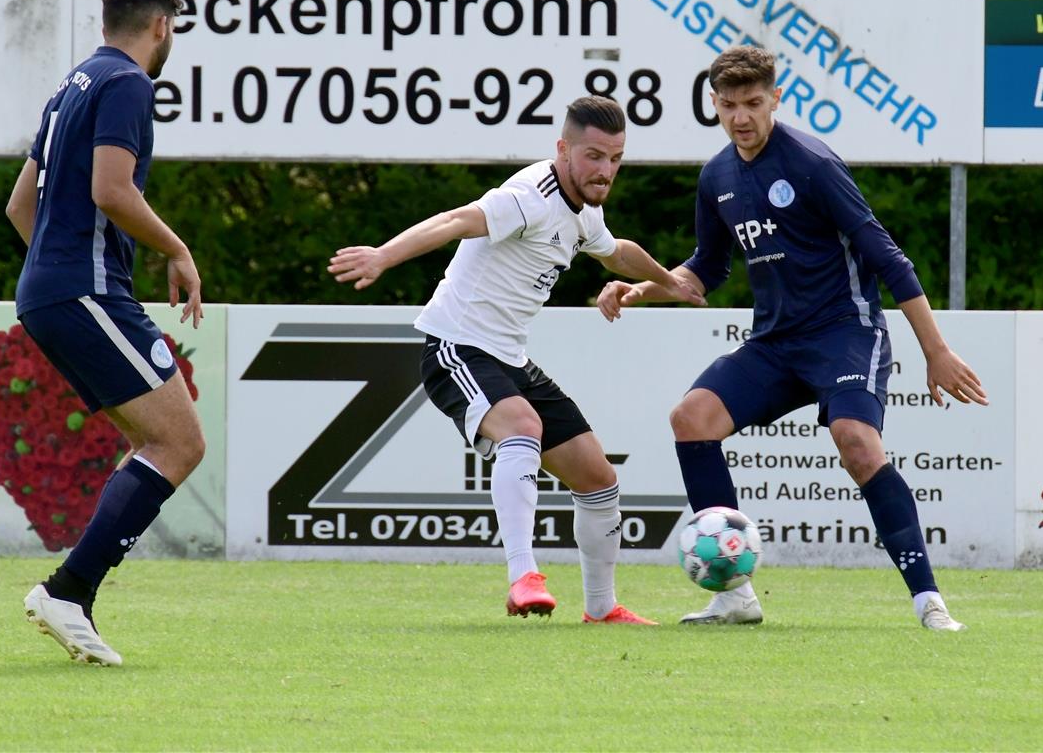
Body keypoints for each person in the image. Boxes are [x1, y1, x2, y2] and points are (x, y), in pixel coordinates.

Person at [598, 46, 988, 631]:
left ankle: (929, 602)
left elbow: (887, 256)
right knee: (691, 418)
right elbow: (706, 268)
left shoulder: (812, 163)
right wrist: (641, 288)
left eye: (754, 103)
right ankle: (734, 596)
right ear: (714, 105)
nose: (741, 117)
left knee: (855, 440)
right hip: (775, 343)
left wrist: (935, 349)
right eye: (729, 105)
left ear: (776, 99)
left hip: (844, 332)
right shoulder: (717, 176)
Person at [329, 96, 700, 624]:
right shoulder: (529, 195)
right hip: (455, 346)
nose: (605, 170)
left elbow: (617, 252)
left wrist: (670, 284)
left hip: (508, 357)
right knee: (521, 428)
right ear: (563, 149)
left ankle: (601, 609)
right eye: (594, 156)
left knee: (598, 479)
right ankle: (523, 575)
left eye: (615, 159)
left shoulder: (584, 210)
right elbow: (456, 220)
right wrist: (383, 255)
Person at [4, 0, 204, 665]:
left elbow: (20, 207)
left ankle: (73, 594)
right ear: (161, 27)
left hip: (50, 290)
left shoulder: (72, 85)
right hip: (83, 292)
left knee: (153, 444)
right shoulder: (128, 84)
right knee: (180, 444)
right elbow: (111, 190)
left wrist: (56, 272)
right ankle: (68, 592)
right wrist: (176, 248)